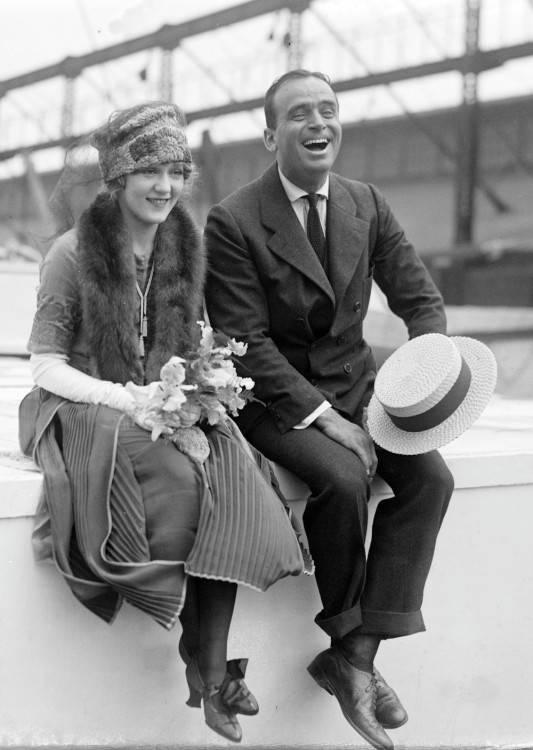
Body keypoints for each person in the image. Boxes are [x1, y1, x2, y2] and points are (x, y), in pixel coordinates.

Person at [19, 101, 310, 745]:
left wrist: (205, 379)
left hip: (163, 396)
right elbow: (44, 367)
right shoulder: (73, 254)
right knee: (182, 482)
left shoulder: (187, 245)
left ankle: (207, 665)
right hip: (84, 404)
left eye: (177, 170)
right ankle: (209, 669)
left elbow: (189, 337)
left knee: (232, 472)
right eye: (150, 170)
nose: (165, 186)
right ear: (118, 178)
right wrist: (128, 401)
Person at [204, 70, 454, 750]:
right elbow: (245, 344)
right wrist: (327, 419)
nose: (318, 123)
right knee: (341, 479)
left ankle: (356, 653)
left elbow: (420, 302)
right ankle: (346, 640)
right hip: (273, 402)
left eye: (328, 110)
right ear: (269, 135)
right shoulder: (231, 220)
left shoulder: (363, 203)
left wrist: (413, 383)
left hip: (361, 393)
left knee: (430, 479)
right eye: (298, 114)